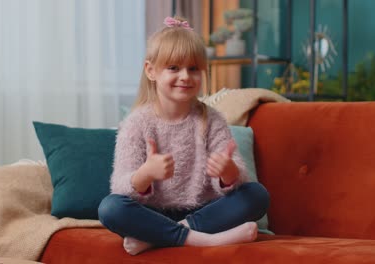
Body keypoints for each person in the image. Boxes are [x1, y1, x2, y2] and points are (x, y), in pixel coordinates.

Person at [98, 16, 270, 256]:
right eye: (173, 68)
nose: (185, 77)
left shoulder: (213, 120)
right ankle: (204, 240)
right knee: (110, 208)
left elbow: (236, 178)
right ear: (151, 71)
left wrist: (227, 173)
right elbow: (120, 187)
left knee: (257, 195)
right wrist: (146, 174)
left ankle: (162, 237)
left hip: (204, 212)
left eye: (193, 69)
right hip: (152, 214)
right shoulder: (136, 123)